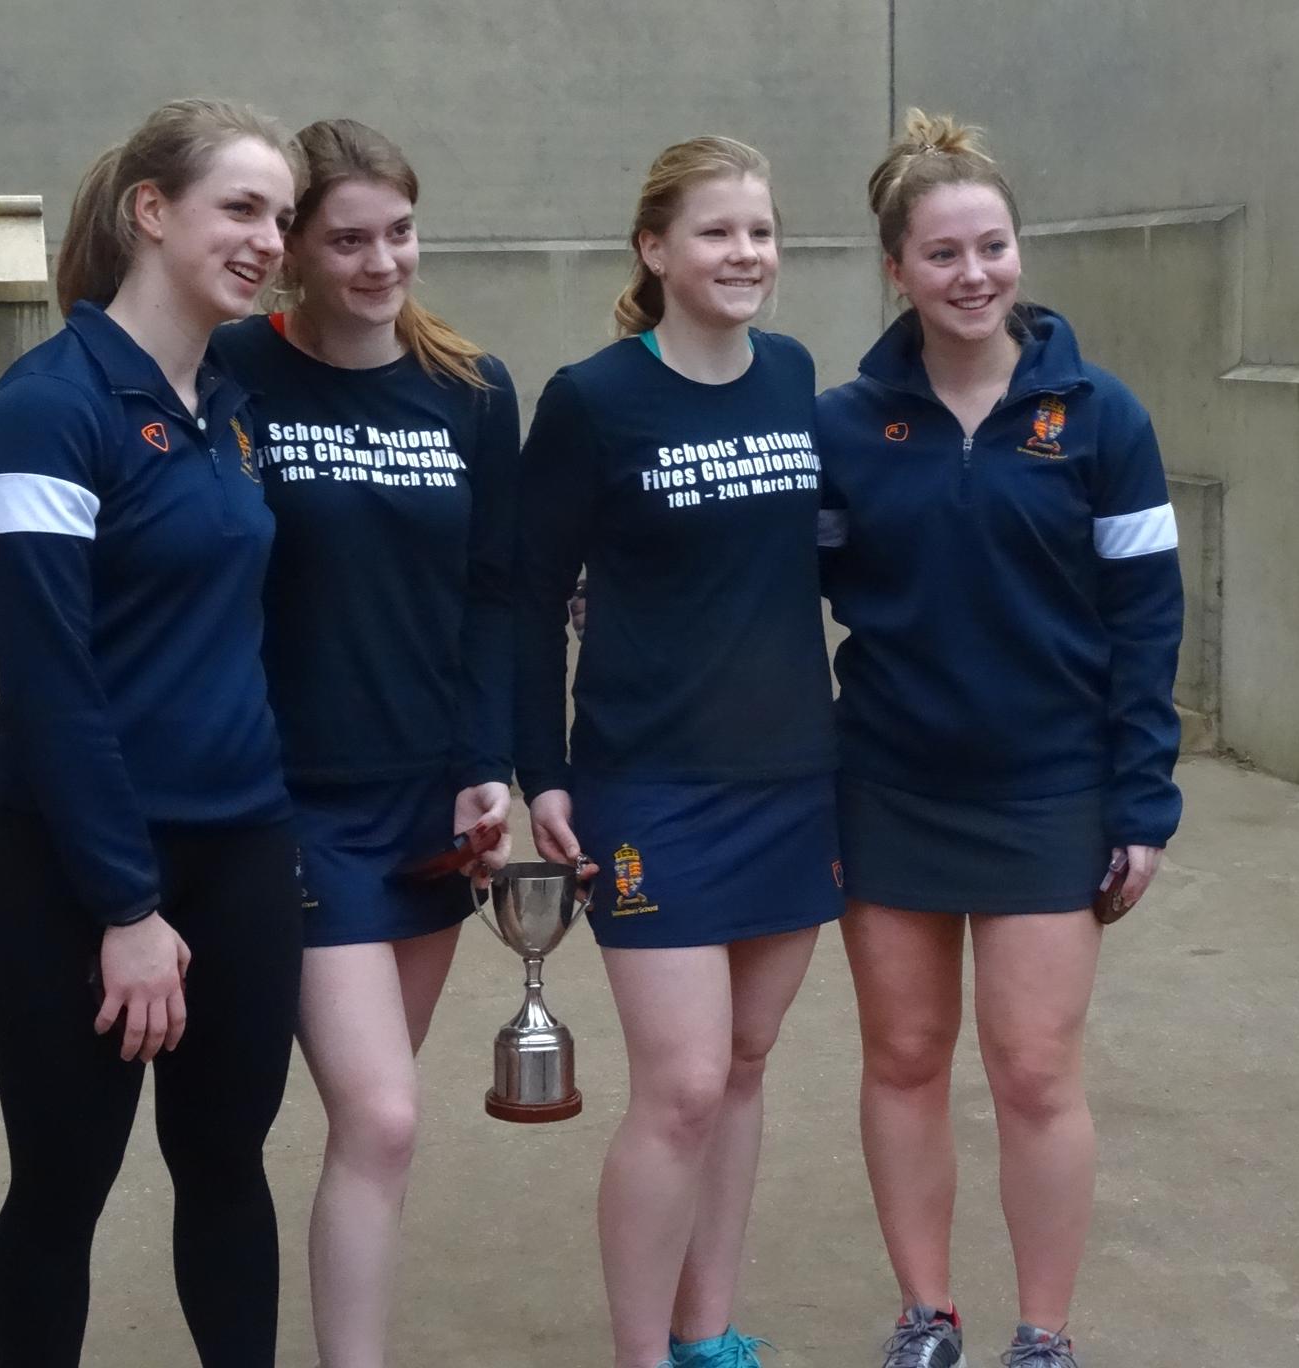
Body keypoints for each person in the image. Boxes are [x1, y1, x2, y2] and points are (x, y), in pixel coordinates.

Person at [816, 111, 1184, 1368]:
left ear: (1019, 251)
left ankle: (1043, 1332)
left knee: (1033, 1073)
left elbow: (1148, 625)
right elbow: (762, 604)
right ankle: (927, 1314)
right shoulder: (845, 426)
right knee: (907, 1057)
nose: (974, 276)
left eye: (993, 247)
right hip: (889, 788)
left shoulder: (1100, 418)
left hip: (1049, 792)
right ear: (896, 269)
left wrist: (1141, 803)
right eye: (943, 255)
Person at [0, 99, 305, 1366]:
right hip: (75, 873)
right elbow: (51, 689)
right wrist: (125, 908)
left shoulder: (230, 403)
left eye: (279, 214)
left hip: (244, 852)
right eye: (240, 207)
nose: (269, 238)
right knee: (63, 1188)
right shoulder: (45, 408)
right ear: (149, 212)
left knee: (228, 1167)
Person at [515, 136, 842, 1368]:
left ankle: (710, 1336)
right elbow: (529, 593)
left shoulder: (797, 373)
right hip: (649, 784)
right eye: (716, 232)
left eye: (760, 231)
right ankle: (641, 1354)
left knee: (747, 1065)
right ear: (655, 251)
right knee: (685, 1085)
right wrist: (537, 770)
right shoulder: (594, 399)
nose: (745, 253)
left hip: (792, 780)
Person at [208, 117, 519, 1368]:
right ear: (292, 252)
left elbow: (497, 596)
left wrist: (486, 765)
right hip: (291, 805)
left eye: (398, 232)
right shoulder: (237, 373)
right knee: (384, 1116)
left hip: (427, 811)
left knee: (369, 1129)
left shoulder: (471, 392)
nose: (381, 261)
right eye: (347, 239)